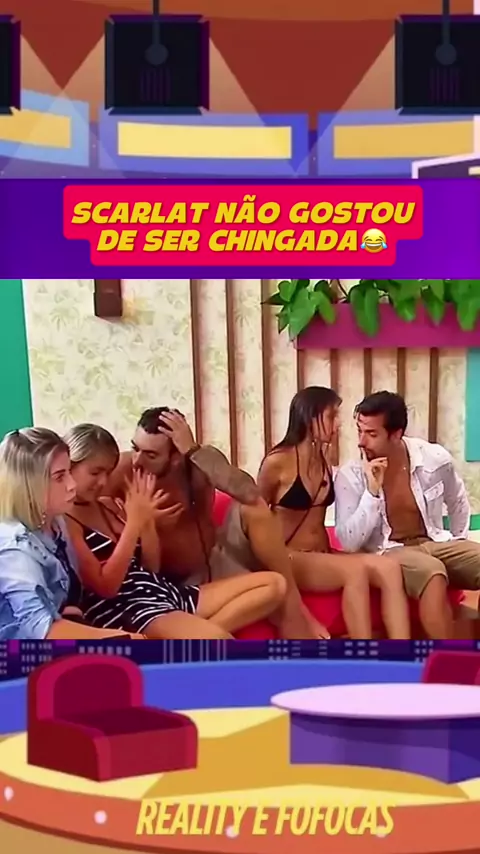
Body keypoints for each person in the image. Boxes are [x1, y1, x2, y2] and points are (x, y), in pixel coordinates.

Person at [106, 407, 319, 639]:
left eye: (151, 455)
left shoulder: (199, 463)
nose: (137, 460)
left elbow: (250, 493)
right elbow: (90, 519)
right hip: (170, 581)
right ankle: (197, 636)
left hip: (213, 561)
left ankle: (295, 607)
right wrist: (141, 523)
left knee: (255, 509)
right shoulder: (123, 470)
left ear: (176, 457)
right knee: (276, 597)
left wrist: (194, 451)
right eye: (135, 448)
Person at [64, 423, 286, 639]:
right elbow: (107, 588)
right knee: (219, 640)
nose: (103, 481)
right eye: (95, 472)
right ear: (69, 467)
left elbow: (151, 568)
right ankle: (191, 637)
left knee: (275, 584)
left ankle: (181, 641)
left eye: (107, 472)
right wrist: (134, 524)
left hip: (160, 590)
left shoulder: (107, 505)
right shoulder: (66, 521)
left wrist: (147, 525)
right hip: (127, 606)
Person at [257, 387, 410, 639]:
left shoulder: (323, 458)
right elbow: (254, 518)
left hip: (322, 552)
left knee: (389, 568)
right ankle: (364, 653)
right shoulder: (277, 462)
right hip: (289, 555)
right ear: (310, 418)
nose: (338, 424)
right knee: (355, 572)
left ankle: (402, 651)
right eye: (331, 416)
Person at [335, 390, 480, 639]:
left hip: (434, 540)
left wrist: (459, 540)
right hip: (390, 549)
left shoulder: (433, 458)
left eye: (372, 434)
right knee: (432, 573)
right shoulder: (351, 475)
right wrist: (372, 492)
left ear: (396, 434)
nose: (361, 441)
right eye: (359, 431)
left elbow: (457, 500)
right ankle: (448, 657)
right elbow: (349, 542)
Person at [0, 428, 144, 641]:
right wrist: (122, 636)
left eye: (69, 472)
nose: (72, 485)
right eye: (60, 477)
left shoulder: (55, 521)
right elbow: (42, 630)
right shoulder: (16, 549)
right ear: (28, 484)